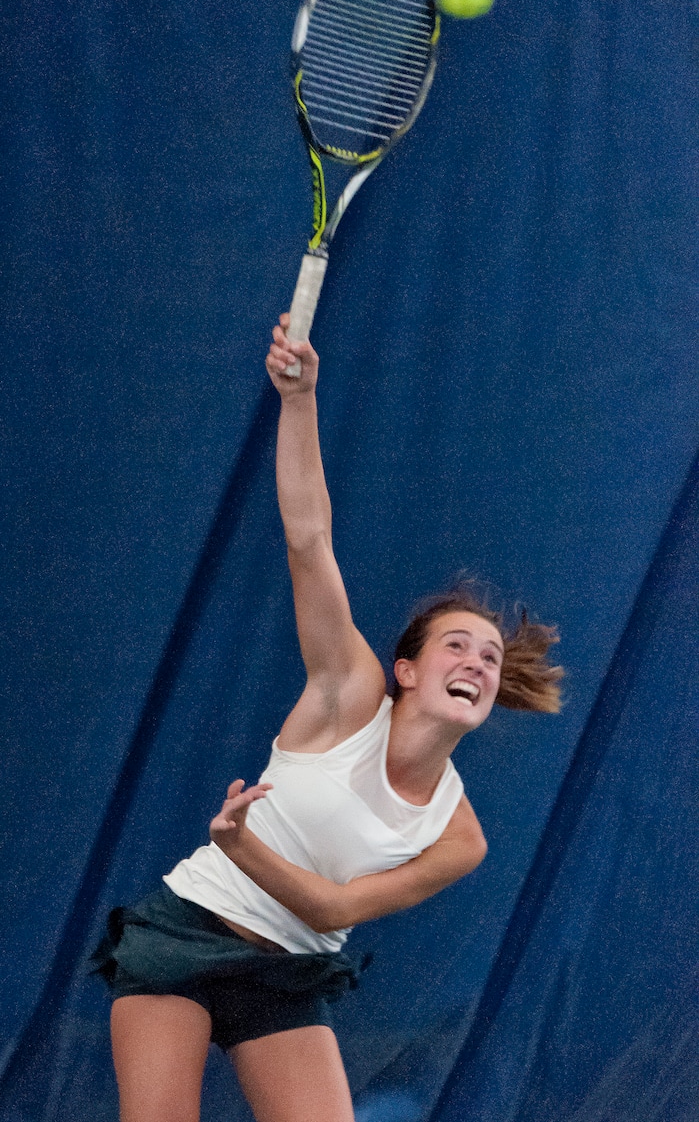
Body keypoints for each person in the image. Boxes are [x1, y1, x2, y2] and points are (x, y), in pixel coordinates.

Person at [94, 315, 563, 1122]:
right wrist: (299, 398)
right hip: (185, 933)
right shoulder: (349, 693)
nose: (479, 665)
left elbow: (332, 910)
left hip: (288, 973)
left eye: (490, 660)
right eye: (460, 645)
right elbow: (309, 539)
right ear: (406, 670)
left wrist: (240, 843)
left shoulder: (460, 837)